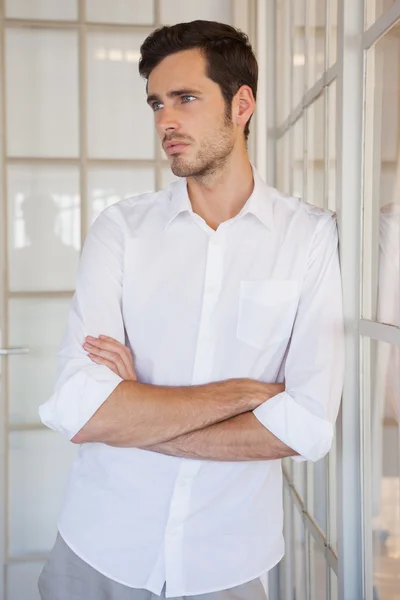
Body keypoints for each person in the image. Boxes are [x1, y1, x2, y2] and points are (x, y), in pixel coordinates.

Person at [38, 20, 344, 600]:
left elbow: (305, 427)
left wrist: (135, 413)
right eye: (156, 103)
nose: (165, 121)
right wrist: (246, 393)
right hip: (99, 548)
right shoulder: (120, 231)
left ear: (241, 104)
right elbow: (80, 408)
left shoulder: (306, 238)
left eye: (185, 98)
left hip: (225, 563)